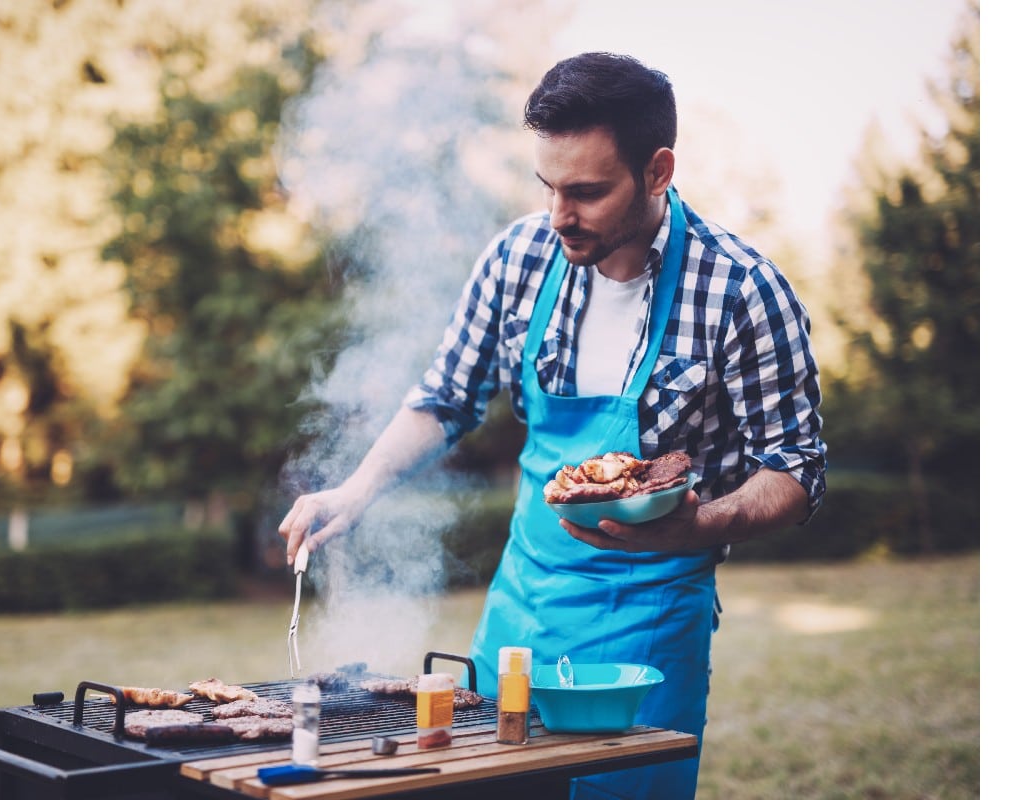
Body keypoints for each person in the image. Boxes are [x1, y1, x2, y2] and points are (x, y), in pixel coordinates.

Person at [278, 51, 826, 799]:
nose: (560, 215)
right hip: (520, 610)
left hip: (649, 620)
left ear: (659, 170)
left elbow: (794, 470)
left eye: (588, 192)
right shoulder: (518, 258)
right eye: (548, 187)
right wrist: (357, 489)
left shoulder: (743, 291)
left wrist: (700, 526)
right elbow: (444, 398)